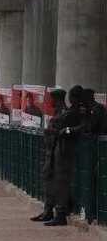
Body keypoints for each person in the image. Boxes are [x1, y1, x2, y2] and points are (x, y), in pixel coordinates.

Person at [34, 87, 84, 226]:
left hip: (62, 151)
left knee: (60, 183)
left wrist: (50, 131)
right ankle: (48, 210)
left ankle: (60, 213)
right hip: (54, 150)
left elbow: (60, 130)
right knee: (49, 180)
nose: (50, 102)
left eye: (52, 99)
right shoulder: (61, 112)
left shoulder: (67, 113)